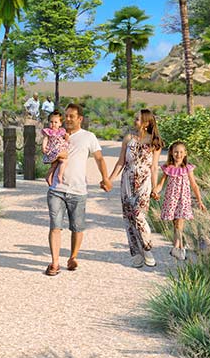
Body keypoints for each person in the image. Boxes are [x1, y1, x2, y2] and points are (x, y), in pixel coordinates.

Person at [45, 103, 110, 276]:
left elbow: (99, 159)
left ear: (80, 118)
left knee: (77, 227)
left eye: (71, 116)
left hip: (78, 190)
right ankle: (55, 263)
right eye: (65, 116)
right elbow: (46, 155)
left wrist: (105, 178)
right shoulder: (56, 134)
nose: (67, 119)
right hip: (56, 189)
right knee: (55, 226)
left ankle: (73, 257)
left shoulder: (89, 137)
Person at [106, 109, 162, 267]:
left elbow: (154, 167)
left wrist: (155, 188)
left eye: (137, 119)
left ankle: (147, 247)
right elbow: (121, 162)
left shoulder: (154, 142)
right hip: (127, 181)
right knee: (128, 217)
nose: (134, 121)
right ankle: (136, 253)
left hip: (144, 182)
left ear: (146, 123)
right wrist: (110, 179)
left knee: (139, 215)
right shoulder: (128, 138)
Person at [153, 140, 206, 259]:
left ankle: (179, 247)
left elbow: (194, 185)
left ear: (185, 153)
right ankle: (177, 246)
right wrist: (155, 191)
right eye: (176, 152)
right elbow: (161, 184)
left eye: (181, 152)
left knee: (180, 221)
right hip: (171, 198)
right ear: (171, 153)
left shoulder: (188, 168)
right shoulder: (168, 168)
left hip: (184, 198)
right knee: (175, 222)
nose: (179, 154)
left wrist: (199, 201)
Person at [40, 111, 68, 188]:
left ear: (60, 123)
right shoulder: (48, 131)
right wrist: (43, 147)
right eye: (51, 122)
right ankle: (57, 175)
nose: (53, 124)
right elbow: (45, 140)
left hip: (59, 149)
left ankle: (52, 176)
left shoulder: (61, 131)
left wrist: (66, 137)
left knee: (58, 164)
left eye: (56, 122)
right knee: (61, 162)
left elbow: (65, 139)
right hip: (53, 150)